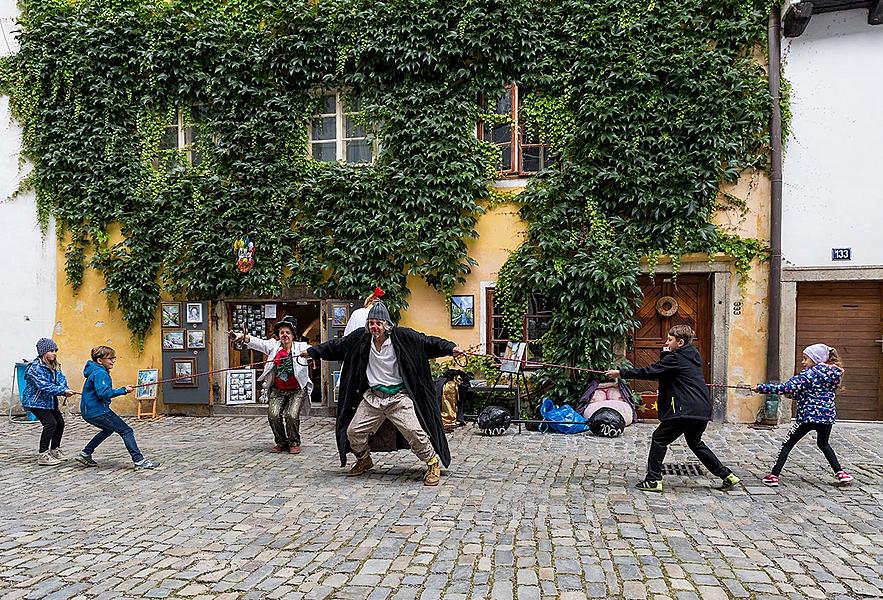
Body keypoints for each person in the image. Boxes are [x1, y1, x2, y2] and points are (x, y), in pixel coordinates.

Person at [302, 300, 463, 486]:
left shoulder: (403, 337)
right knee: (353, 432)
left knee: (414, 431)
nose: (374, 327)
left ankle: (432, 463)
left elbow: (428, 342)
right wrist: (312, 352)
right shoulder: (360, 339)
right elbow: (336, 346)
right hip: (373, 398)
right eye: (371, 323)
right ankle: (364, 459)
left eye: (378, 323)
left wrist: (451, 348)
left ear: (386, 325)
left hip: (398, 397)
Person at [605, 325, 740, 492]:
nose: (666, 342)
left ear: (680, 342)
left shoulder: (675, 358)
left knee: (659, 439)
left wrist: (621, 373)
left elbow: (652, 371)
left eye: (670, 340)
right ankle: (727, 475)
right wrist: (667, 352)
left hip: (684, 410)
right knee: (695, 443)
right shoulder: (692, 356)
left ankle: (653, 480)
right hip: (701, 409)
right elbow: (665, 369)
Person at [754, 343, 852, 487]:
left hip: (807, 417)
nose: (803, 362)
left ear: (815, 359)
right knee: (823, 444)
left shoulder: (809, 374)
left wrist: (761, 388)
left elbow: (786, 387)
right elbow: (811, 392)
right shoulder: (833, 374)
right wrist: (794, 395)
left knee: (787, 444)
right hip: (826, 417)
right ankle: (841, 473)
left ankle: (773, 476)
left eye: (805, 358)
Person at [230, 315, 312, 453]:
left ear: (293, 335)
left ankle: (294, 442)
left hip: (297, 390)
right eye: (282, 332)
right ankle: (281, 442)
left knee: (292, 416)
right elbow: (257, 342)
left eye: (287, 332)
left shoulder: (301, 347)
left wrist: (310, 353)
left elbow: (317, 351)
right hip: (278, 390)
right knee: (273, 415)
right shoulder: (273, 346)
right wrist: (241, 336)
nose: (284, 335)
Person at [75, 346, 160, 469]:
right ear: (100, 360)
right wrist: (123, 390)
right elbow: (103, 393)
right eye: (110, 358)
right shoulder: (100, 373)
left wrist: (123, 389)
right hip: (98, 411)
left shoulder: (95, 371)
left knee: (108, 429)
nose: (113, 361)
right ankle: (139, 461)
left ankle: (85, 453)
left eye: (114, 358)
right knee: (126, 431)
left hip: (89, 412)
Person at [22, 338, 77, 466]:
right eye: (51, 351)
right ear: (43, 352)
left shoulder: (55, 366)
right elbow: (44, 386)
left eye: (55, 350)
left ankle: (55, 449)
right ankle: (43, 454)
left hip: (49, 401)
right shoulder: (35, 368)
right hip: (35, 402)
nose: (54, 353)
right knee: (50, 424)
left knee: (60, 423)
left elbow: (61, 379)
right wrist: (63, 392)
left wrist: (65, 388)